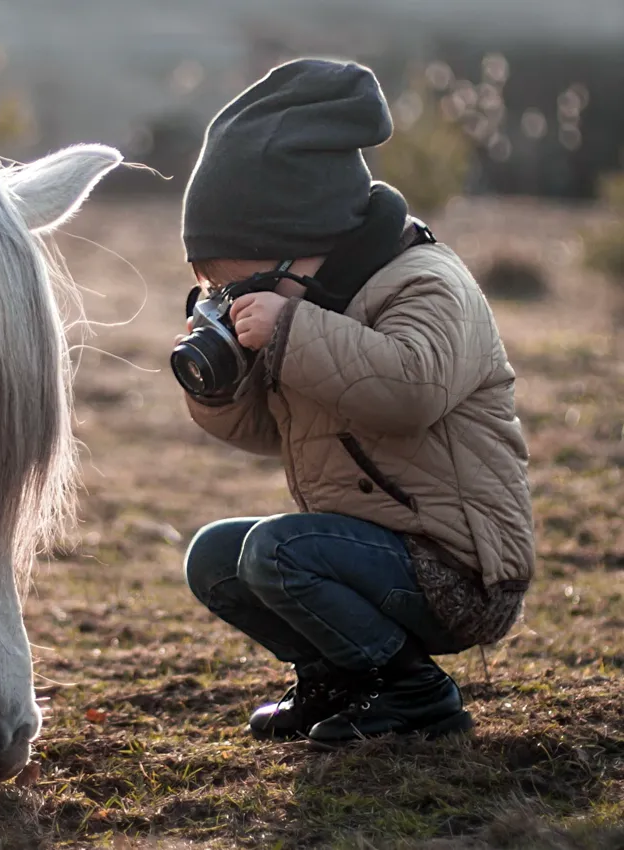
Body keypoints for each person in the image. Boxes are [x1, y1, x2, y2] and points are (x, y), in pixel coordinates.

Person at [174, 57, 535, 749]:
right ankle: (341, 678)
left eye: (241, 285)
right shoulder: (309, 303)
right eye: (217, 293)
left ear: (311, 242)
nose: (236, 303)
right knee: (216, 557)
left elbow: (409, 392)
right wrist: (220, 382)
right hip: (370, 553)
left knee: (278, 552)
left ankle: (415, 694)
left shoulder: (423, 282)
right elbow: (266, 430)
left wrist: (292, 332)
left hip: (459, 570)